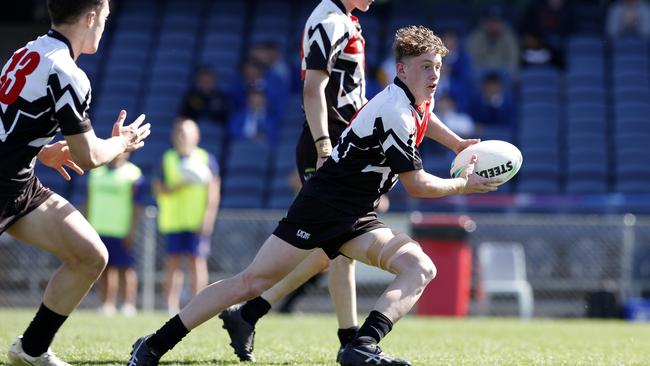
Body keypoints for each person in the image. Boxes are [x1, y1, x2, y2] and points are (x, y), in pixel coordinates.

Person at [127, 25, 499, 366]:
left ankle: (361, 346)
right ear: (401, 71)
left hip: (357, 215)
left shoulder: (418, 98)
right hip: (322, 207)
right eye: (424, 67)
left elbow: (427, 117)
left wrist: (456, 143)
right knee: (252, 282)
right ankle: (155, 344)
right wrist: (465, 184)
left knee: (420, 267)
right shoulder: (396, 112)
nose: (434, 76)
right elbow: (418, 186)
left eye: (437, 67)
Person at [219, 0, 372, 362]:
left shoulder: (343, 20)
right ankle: (348, 340)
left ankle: (248, 313)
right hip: (329, 147)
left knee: (332, 253)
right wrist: (323, 146)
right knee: (335, 251)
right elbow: (312, 89)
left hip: (342, 147)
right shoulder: (329, 19)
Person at [1, 0, 151, 364]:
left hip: (18, 185)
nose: (104, 27)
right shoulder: (68, 72)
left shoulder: (27, 52)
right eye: (105, 19)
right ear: (90, 17)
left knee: (90, 255)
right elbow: (88, 157)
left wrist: (40, 152)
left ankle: (31, 349)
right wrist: (123, 142)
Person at [153, 117, 220, 315]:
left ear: (196, 136)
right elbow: (158, 188)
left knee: (196, 261)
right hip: (174, 220)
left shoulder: (205, 158)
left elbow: (213, 192)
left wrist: (207, 218)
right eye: (179, 132)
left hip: (196, 221)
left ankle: (198, 305)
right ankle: (170, 305)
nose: (182, 137)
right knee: (172, 263)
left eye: (186, 133)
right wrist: (177, 186)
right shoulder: (167, 158)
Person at [87, 152, 144, 316]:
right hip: (98, 229)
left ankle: (128, 305)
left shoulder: (134, 174)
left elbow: (136, 206)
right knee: (104, 269)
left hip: (121, 230)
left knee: (126, 269)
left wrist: (132, 229)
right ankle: (106, 304)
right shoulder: (96, 173)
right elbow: (88, 200)